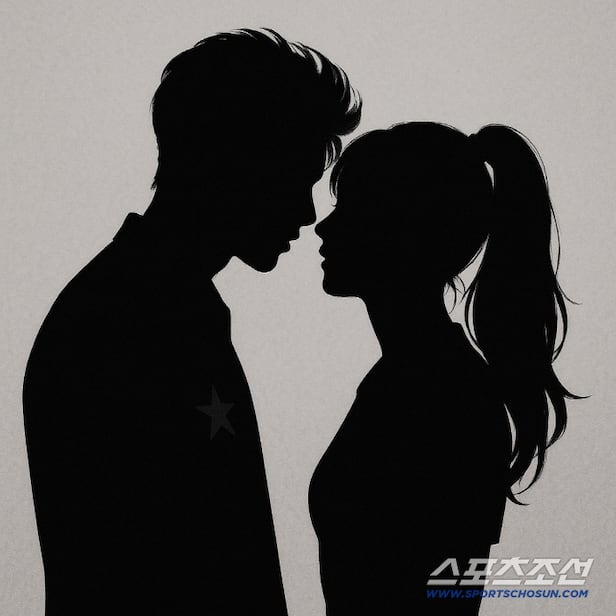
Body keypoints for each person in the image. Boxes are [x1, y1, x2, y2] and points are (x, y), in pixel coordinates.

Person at [22, 28, 360, 616]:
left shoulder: (148, 304)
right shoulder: (129, 319)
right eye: (295, 180)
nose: (307, 214)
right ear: (237, 163)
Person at [309, 122, 578, 614]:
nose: (323, 227)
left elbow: (440, 588)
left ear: (400, 229)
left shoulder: (441, 394)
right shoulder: (415, 379)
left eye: (351, 208)